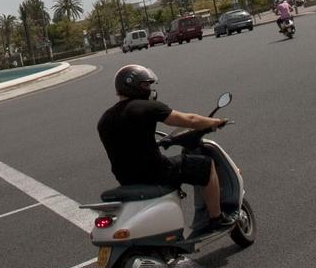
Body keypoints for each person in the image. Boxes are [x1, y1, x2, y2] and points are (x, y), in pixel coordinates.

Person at [97, 64, 230, 233]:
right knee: (206, 165)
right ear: (134, 85)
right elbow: (190, 120)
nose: (149, 88)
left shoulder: (104, 119)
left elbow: (129, 141)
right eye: (145, 84)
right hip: (156, 172)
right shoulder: (147, 107)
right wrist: (215, 122)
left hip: (126, 178)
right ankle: (216, 218)